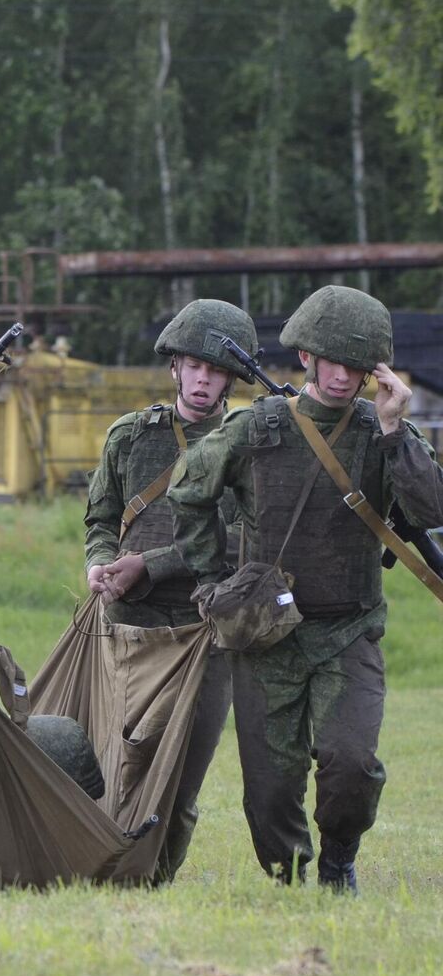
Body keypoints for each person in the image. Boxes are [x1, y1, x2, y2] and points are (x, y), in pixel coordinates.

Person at [168, 285, 443, 892]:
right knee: (269, 788)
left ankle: (340, 857)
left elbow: (430, 509)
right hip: (266, 637)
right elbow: (188, 490)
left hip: (349, 630)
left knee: (350, 763)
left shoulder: (381, 429)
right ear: (307, 359)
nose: (344, 376)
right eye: (333, 361)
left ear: (376, 370)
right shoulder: (258, 427)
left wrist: (398, 429)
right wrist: (214, 582)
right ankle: (289, 876)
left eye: (358, 365)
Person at [81, 298, 255, 882]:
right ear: (175, 368)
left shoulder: (252, 443)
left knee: (181, 775)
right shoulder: (130, 437)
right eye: (194, 367)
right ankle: (111, 873)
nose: (204, 379)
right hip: (129, 628)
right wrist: (102, 565)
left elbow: (246, 540)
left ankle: (156, 880)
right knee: (121, 761)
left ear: (231, 376)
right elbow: (101, 520)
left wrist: (151, 564)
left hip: (207, 631)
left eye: (216, 370)